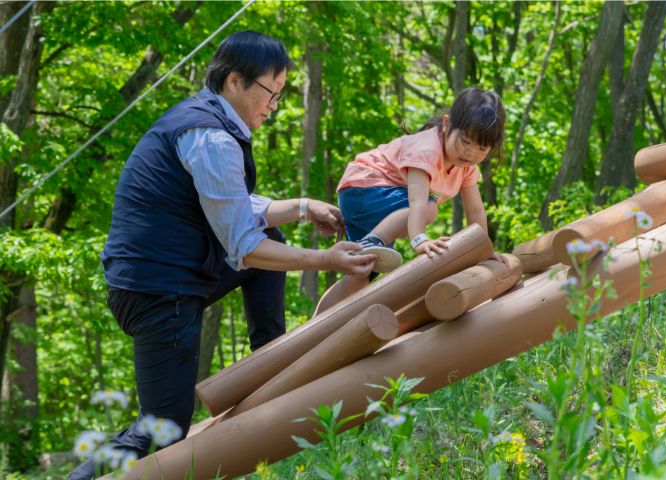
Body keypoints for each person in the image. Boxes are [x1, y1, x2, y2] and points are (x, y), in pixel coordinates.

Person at [69, 30, 376, 478]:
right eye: (271, 93)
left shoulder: (208, 124)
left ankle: (272, 362)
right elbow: (244, 247)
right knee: (164, 429)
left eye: (280, 95)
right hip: (156, 291)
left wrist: (305, 209)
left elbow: (231, 207)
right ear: (236, 81)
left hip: (172, 276)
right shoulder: (212, 138)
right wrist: (328, 259)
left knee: (271, 229)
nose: (273, 106)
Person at [314, 86, 506, 315]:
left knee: (361, 273)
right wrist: (419, 239)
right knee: (429, 206)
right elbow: (417, 202)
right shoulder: (427, 150)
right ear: (447, 124)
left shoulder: (466, 167)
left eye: (481, 148)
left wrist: (482, 249)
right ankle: (371, 241)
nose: (471, 153)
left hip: (378, 200)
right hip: (363, 189)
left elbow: (475, 210)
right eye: (465, 141)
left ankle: (309, 328)